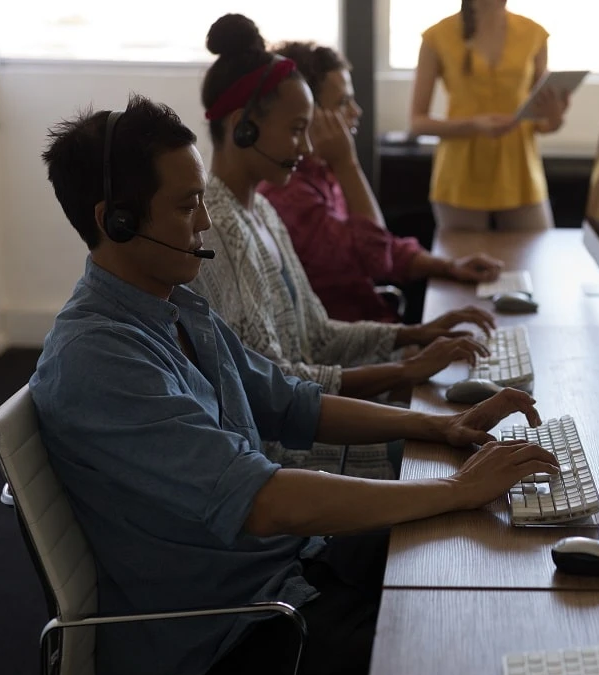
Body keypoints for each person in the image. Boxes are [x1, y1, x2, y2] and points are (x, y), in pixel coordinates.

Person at [32, 92, 557, 675]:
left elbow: (290, 402)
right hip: (234, 630)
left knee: (479, 556)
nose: (204, 222)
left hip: (292, 568)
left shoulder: (175, 307)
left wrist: (436, 426)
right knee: (454, 642)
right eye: (185, 207)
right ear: (116, 222)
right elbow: (265, 502)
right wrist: (458, 487)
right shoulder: (100, 360)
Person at [192, 15, 496, 476]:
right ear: (244, 127)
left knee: (466, 440)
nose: (305, 143)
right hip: (281, 456)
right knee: (453, 456)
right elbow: (278, 385)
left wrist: (417, 335)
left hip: (313, 420)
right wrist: (404, 370)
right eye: (296, 129)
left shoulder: (262, 213)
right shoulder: (216, 230)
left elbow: (316, 335)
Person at [258, 41, 504, 323]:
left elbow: (385, 247)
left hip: (376, 329)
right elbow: (375, 257)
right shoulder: (290, 195)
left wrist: (450, 266)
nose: (356, 111)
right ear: (306, 113)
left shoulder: (320, 172)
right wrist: (347, 164)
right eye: (342, 103)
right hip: (353, 347)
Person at [410, 0, 568, 231]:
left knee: (535, 256)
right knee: (464, 262)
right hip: (460, 175)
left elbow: (542, 122)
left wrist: (555, 117)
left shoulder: (534, 34)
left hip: (520, 171)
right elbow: (417, 123)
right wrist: (473, 125)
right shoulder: (437, 36)